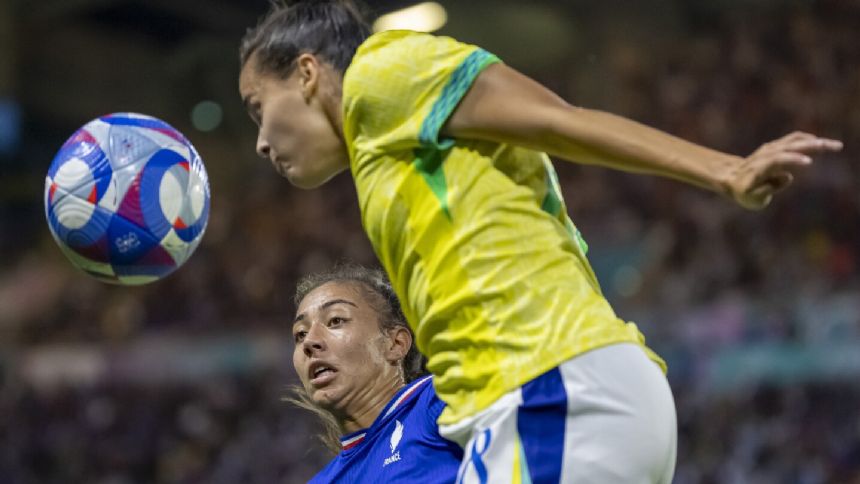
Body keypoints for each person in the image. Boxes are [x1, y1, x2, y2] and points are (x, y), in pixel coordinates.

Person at [238, 1, 843, 482]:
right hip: (546, 407)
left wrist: (725, 170)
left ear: (309, 73)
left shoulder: (381, 72)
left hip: (548, 392)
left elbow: (560, 118)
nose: (262, 142)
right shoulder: (385, 156)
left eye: (257, 107)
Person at [290, 264, 463, 483]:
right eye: (300, 334)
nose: (309, 341)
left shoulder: (442, 400)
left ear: (396, 343)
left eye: (335, 320)